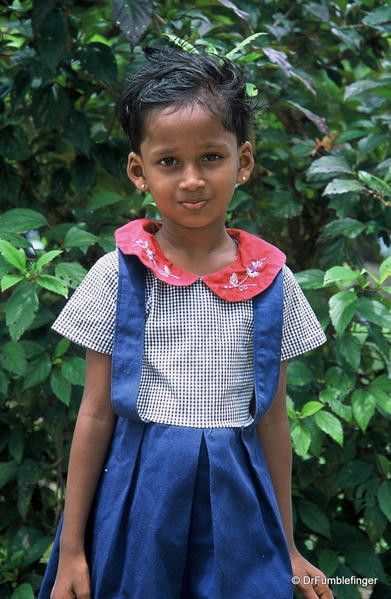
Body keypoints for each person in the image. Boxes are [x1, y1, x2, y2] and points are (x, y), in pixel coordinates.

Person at [39, 46, 333, 599]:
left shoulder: (272, 282)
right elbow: (96, 414)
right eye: (169, 161)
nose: (192, 179)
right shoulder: (117, 275)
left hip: (239, 505)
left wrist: (287, 545)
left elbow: (272, 423)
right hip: (138, 502)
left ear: (243, 162)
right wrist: (73, 550)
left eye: (212, 158)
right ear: (139, 172)